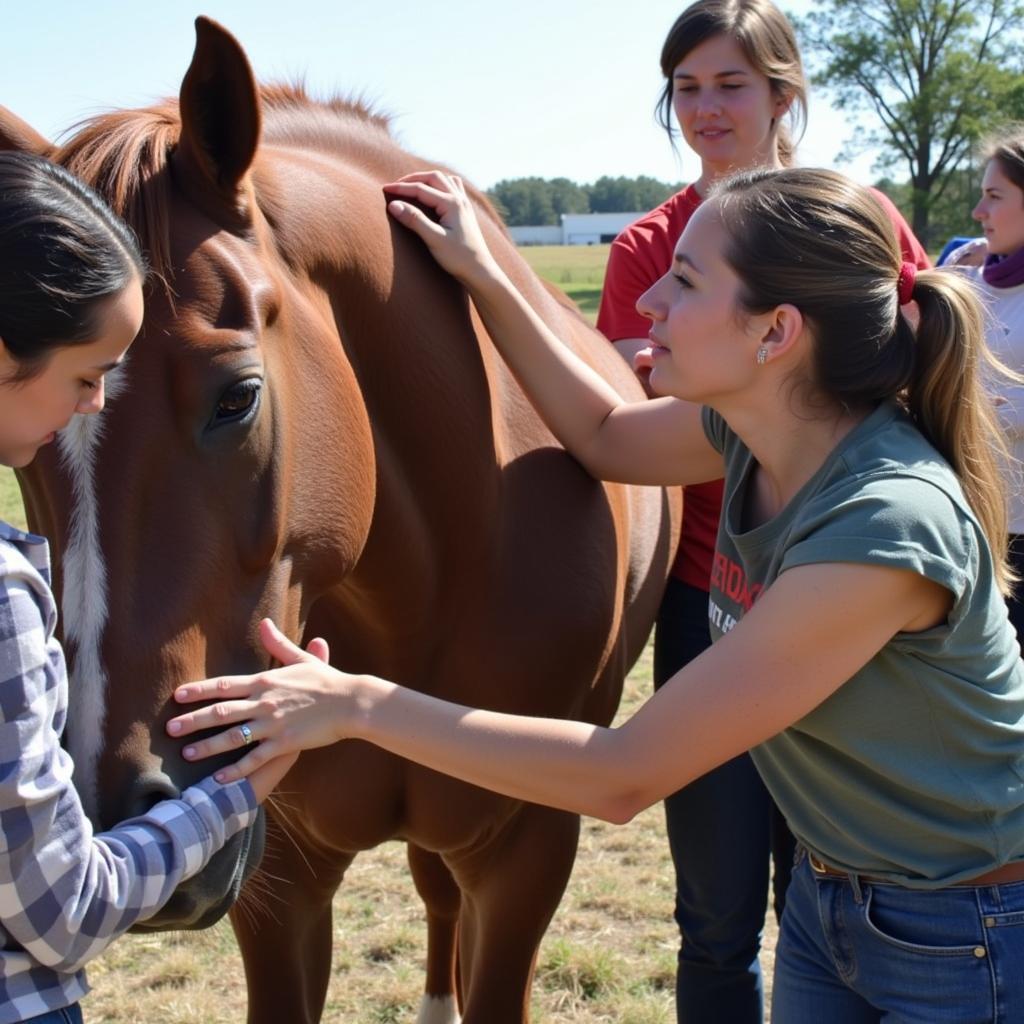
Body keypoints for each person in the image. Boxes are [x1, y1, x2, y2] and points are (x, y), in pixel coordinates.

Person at [172, 165, 1024, 1022]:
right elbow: (603, 434)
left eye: (686, 281)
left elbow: (623, 775)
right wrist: (486, 270)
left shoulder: (881, 526)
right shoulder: (756, 428)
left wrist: (353, 704)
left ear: (775, 333)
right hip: (833, 894)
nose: (648, 301)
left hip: (964, 927)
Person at [594, 2, 929, 1019]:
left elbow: (905, 378)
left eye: (728, 83)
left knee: (831, 899)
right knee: (715, 914)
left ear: (782, 94)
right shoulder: (646, 245)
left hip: (841, 599)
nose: (704, 108)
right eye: (685, 88)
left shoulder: (855, 220)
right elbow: (617, 420)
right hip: (708, 598)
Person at [0, 150, 319, 1024]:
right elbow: (61, 915)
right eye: (87, 376)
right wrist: (234, 794)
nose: (101, 403)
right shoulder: (4, 594)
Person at [943, 129, 1024, 645]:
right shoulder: (966, 276)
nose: (978, 210)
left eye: (994, 196)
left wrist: (979, 413)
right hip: (963, 521)